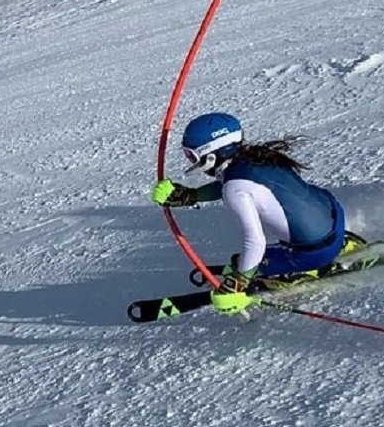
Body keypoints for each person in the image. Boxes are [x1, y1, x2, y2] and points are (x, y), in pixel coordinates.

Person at [151, 112, 361, 315]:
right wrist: (192, 196)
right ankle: (341, 243)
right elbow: (231, 185)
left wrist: (239, 282)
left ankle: (300, 271)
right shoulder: (256, 158)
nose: (192, 161)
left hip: (314, 252)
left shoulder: (234, 188)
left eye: (192, 156)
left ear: (212, 154)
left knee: (250, 262)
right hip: (336, 219)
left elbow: (255, 241)